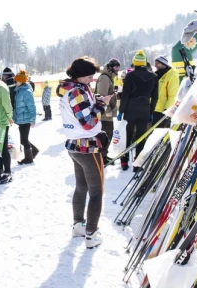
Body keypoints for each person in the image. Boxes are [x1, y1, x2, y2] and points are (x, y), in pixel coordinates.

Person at [59, 56, 111, 249]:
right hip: (88, 146)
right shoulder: (77, 92)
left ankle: (79, 225)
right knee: (97, 192)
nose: (92, 80)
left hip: (75, 145)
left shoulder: (70, 89)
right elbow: (88, 121)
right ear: (80, 76)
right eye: (90, 76)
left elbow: (81, 112)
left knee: (81, 187)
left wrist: (95, 102)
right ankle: (91, 233)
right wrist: (101, 105)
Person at [118, 50, 158, 171]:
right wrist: (151, 112)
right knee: (141, 137)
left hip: (130, 109)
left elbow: (125, 95)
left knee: (127, 136)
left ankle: (124, 162)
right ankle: (137, 164)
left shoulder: (130, 76)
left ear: (134, 63)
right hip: (145, 109)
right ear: (145, 63)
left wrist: (121, 111)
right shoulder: (154, 76)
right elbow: (155, 96)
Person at [95, 58, 121, 164]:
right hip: (105, 112)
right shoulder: (105, 78)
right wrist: (108, 110)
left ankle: (104, 155)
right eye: (115, 67)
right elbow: (102, 96)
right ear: (110, 67)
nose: (118, 69)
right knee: (106, 134)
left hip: (108, 111)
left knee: (108, 134)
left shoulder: (110, 77)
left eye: (118, 67)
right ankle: (102, 157)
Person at [13, 70, 37, 165]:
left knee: (24, 140)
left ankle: (29, 158)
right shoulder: (20, 90)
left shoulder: (26, 92)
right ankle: (33, 151)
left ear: (21, 81)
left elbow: (32, 106)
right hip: (21, 119)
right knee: (23, 139)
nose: (15, 82)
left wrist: (32, 119)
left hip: (26, 119)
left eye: (16, 81)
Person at [153, 55, 179, 128]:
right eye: (155, 63)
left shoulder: (172, 75)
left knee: (160, 131)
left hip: (163, 110)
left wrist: (167, 110)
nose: (155, 65)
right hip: (155, 108)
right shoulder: (157, 74)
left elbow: (173, 94)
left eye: (157, 63)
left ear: (163, 64)